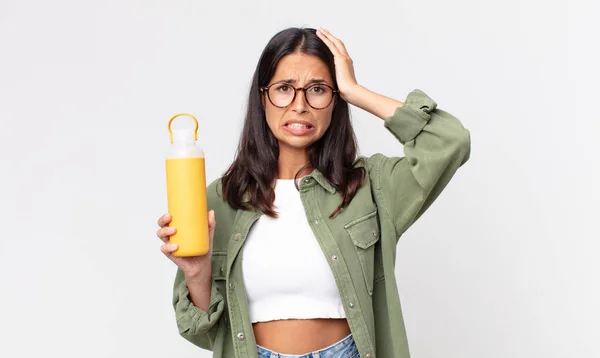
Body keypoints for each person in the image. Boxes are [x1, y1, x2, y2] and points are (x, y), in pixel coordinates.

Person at [156, 27, 470, 358]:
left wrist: (355, 90)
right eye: (284, 89)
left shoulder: (371, 186)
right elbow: (204, 332)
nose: (300, 105)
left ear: (335, 100)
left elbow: (449, 141)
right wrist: (196, 273)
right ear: (263, 97)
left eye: (318, 90)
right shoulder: (223, 198)